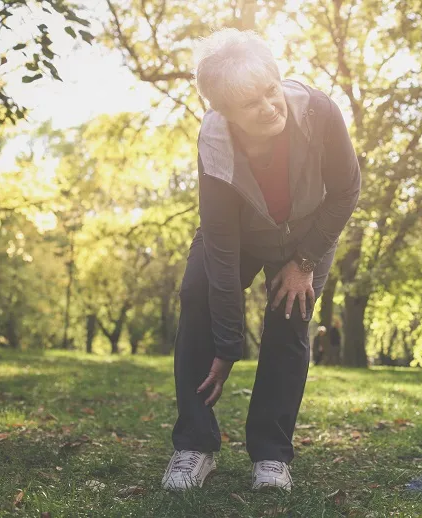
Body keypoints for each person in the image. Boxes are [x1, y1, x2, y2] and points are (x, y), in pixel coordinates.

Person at [161, 28, 360, 492]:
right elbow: (223, 252)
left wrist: (305, 260)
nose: (269, 106)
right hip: (242, 235)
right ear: (226, 113)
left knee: (290, 319)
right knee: (197, 293)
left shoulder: (319, 111)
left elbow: (347, 190)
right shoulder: (215, 141)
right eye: (251, 104)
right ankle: (194, 444)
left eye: (271, 90)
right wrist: (227, 347)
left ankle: (271, 455)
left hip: (310, 231)